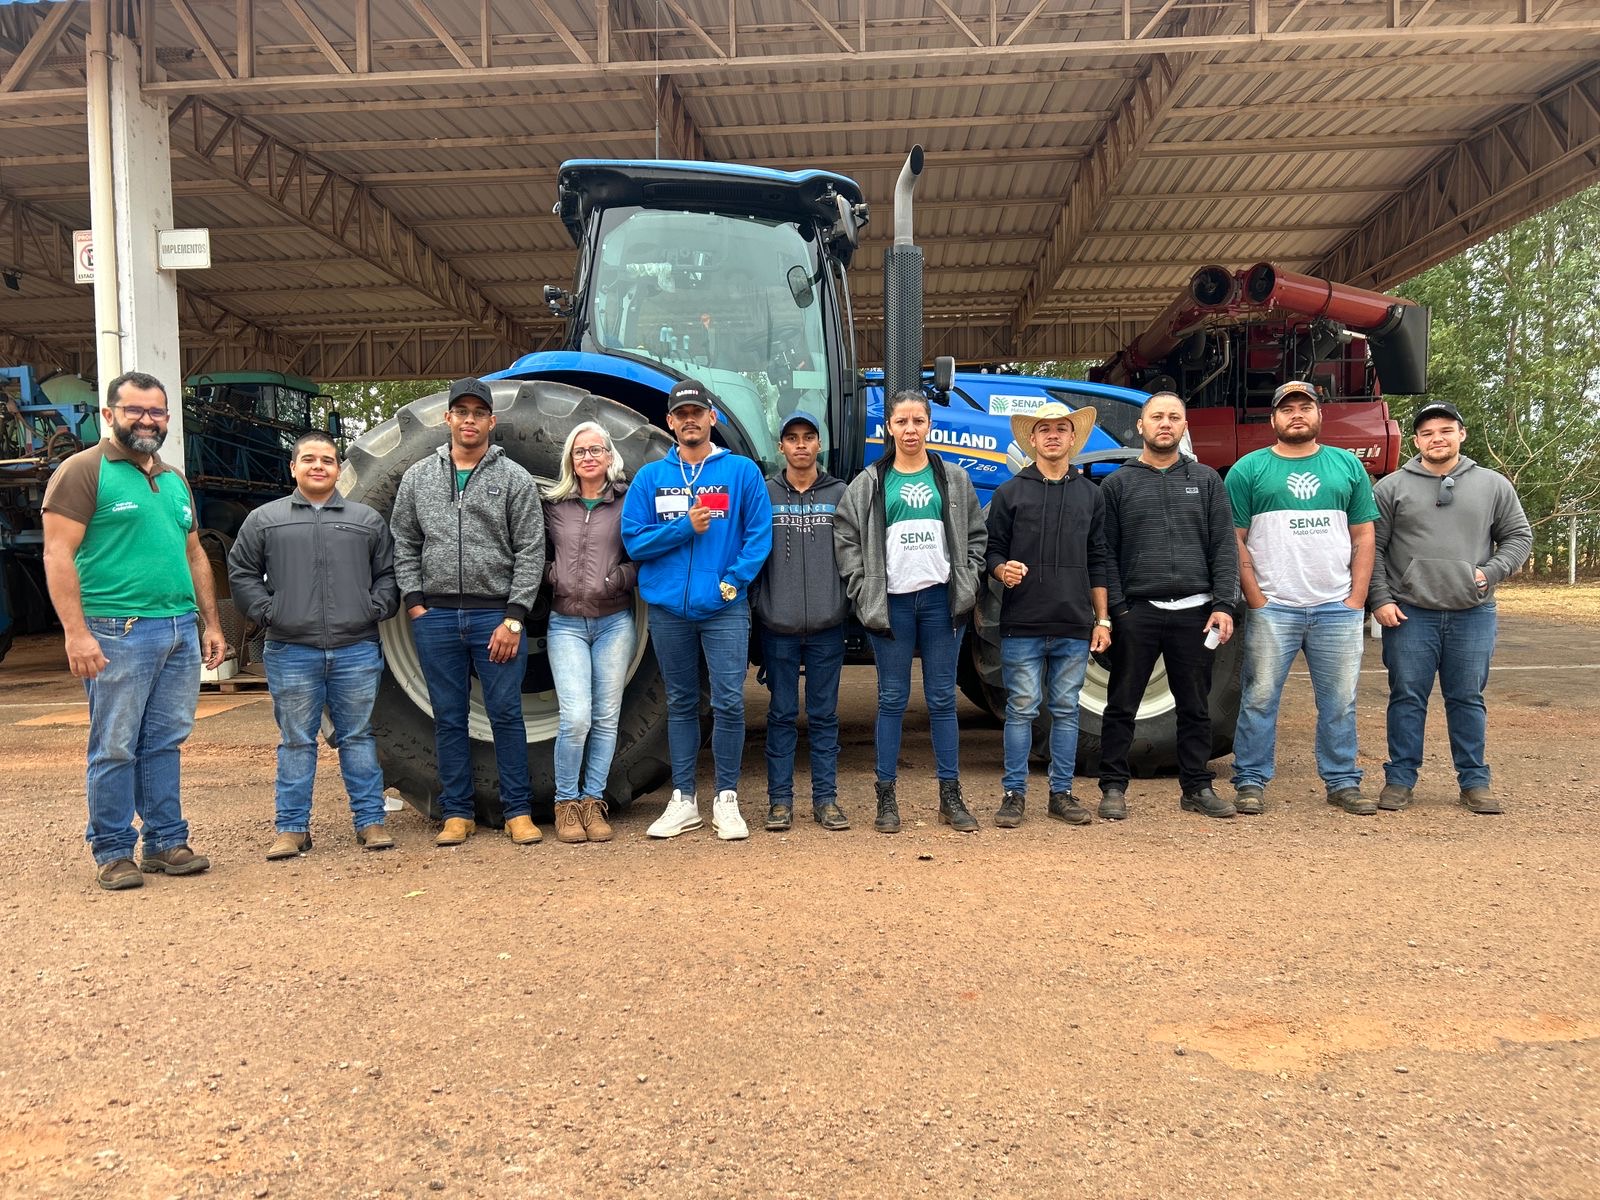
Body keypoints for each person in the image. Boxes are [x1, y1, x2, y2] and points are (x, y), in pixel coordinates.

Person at [40, 370, 225, 891]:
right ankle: (113, 849)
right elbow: (57, 553)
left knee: (164, 741)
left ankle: (166, 842)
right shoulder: (83, 471)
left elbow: (193, 553)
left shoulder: (172, 479)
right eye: (134, 410)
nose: (147, 420)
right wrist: (76, 633)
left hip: (176, 629)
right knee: (115, 744)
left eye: (156, 412)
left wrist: (210, 623)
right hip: (115, 628)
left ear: (167, 418)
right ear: (109, 414)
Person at [227, 431, 401, 858]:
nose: (318, 466)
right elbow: (241, 573)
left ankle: (371, 822)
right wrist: (270, 613)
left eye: (327, 459)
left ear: (338, 468)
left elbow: (390, 574)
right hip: (291, 650)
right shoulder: (265, 520)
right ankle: (291, 829)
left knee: (358, 736)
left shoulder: (365, 520)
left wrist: (374, 608)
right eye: (309, 459)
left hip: (355, 647)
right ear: (293, 467)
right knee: (295, 740)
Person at [390, 377, 545, 847]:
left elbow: (531, 550)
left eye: (479, 412)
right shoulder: (419, 476)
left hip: (493, 618)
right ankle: (457, 813)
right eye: (462, 411)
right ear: (449, 419)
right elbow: (404, 541)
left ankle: (518, 811)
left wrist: (515, 616)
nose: (470, 419)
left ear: (491, 421)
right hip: (435, 618)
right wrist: (414, 602)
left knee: (505, 714)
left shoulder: (513, 478)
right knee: (449, 716)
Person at [621, 379, 772, 841]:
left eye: (697, 412)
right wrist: (685, 528)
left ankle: (726, 799)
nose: (689, 420)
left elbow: (758, 534)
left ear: (712, 419)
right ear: (670, 422)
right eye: (680, 414)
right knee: (682, 702)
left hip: (723, 606)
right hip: (669, 609)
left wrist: (733, 581)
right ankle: (683, 799)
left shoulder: (741, 473)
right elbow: (634, 540)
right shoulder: (650, 478)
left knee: (728, 702)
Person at [1369, 401, 1532, 815]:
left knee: (1467, 698)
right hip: (1409, 613)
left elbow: (1518, 537)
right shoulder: (1390, 488)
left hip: (1473, 611)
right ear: (1417, 440)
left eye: (1445, 430)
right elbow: (1371, 550)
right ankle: (1400, 780)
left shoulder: (1493, 485)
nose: (1436, 438)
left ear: (1462, 434)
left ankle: (1475, 782)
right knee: (1406, 697)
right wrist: (1382, 600)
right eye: (1426, 433)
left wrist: (1490, 573)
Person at [1226, 380, 1381, 816]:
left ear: (1319, 415)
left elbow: (1364, 535)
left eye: (1305, 407)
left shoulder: (1347, 466)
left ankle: (1342, 781)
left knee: (1339, 701)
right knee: (1259, 697)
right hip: (1275, 606)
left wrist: (1357, 598)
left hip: (1337, 607)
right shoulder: (1247, 470)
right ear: (1273, 418)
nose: (1297, 414)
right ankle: (1251, 779)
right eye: (1287, 408)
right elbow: (1233, 538)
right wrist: (1255, 597)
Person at [836, 389, 987, 834]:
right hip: (894, 604)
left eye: (918, 421)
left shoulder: (954, 479)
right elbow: (845, 537)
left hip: (941, 602)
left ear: (929, 426)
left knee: (942, 699)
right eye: (901, 422)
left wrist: (969, 577)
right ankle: (887, 798)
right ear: (889, 427)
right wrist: (863, 588)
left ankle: (950, 797)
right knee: (891, 698)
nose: (910, 430)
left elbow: (976, 535)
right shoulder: (870, 482)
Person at [1098, 392, 1240, 820]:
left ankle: (1196, 787)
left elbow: (1223, 547)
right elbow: (1106, 552)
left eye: (1173, 417)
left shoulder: (1207, 480)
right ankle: (1113, 787)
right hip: (1137, 613)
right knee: (1122, 704)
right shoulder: (1117, 484)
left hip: (1196, 616)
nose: (1165, 424)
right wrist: (1119, 610)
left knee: (1195, 707)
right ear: (1140, 427)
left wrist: (1224, 605)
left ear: (1183, 427)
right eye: (1156, 417)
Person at [984, 402, 1111, 828]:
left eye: (1061, 429)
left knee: (1067, 709)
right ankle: (1013, 794)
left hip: (1075, 624)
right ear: (1032, 439)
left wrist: (1103, 620)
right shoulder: (1008, 493)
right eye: (1045, 430)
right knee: (1021, 709)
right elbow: (992, 552)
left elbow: (1099, 559)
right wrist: (1003, 570)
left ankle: (1062, 794)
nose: (1053, 435)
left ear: (1073, 438)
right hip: (1022, 623)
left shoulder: (1092, 496)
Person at [751, 410, 850, 833]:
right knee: (782, 713)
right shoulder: (765, 494)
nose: (801, 445)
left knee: (825, 716)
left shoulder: (841, 492)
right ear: (781, 447)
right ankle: (779, 803)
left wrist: (844, 603)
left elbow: (855, 553)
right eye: (792, 438)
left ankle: (826, 801)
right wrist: (763, 605)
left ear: (819, 444)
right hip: (779, 626)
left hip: (829, 625)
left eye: (809, 437)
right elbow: (752, 553)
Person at [542, 420, 637, 844]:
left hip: (614, 621)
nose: (588, 457)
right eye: (580, 452)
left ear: (609, 454)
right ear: (570, 459)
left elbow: (646, 552)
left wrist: (618, 579)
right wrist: (553, 576)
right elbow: (528, 548)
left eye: (595, 449)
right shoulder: (553, 505)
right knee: (576, 717)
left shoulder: (627, 501)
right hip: (565, 623)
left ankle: (593, 802)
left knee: (605, 717)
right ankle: (565, 804)